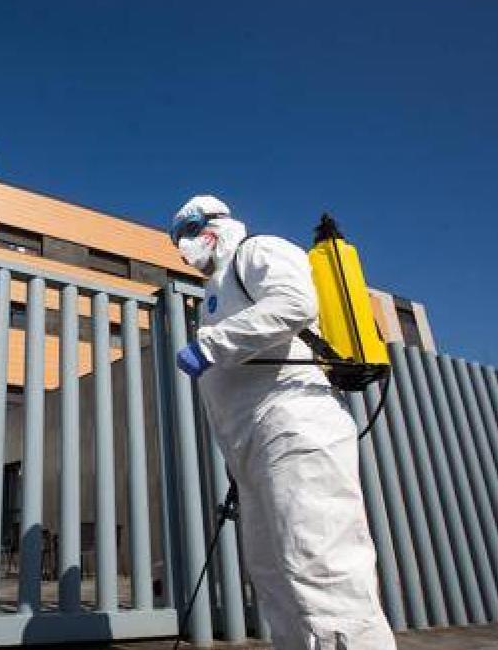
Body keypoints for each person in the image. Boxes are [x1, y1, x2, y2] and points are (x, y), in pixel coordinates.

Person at [169, 195, 395, 650]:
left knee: (320, 561)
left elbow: (294, 303)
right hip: (251, 445)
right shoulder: (217, 290)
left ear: (212, 226)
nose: (182, 248)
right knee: (273, 572)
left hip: (294, 422)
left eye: (187, 234)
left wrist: (211, 345)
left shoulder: (257, 251)